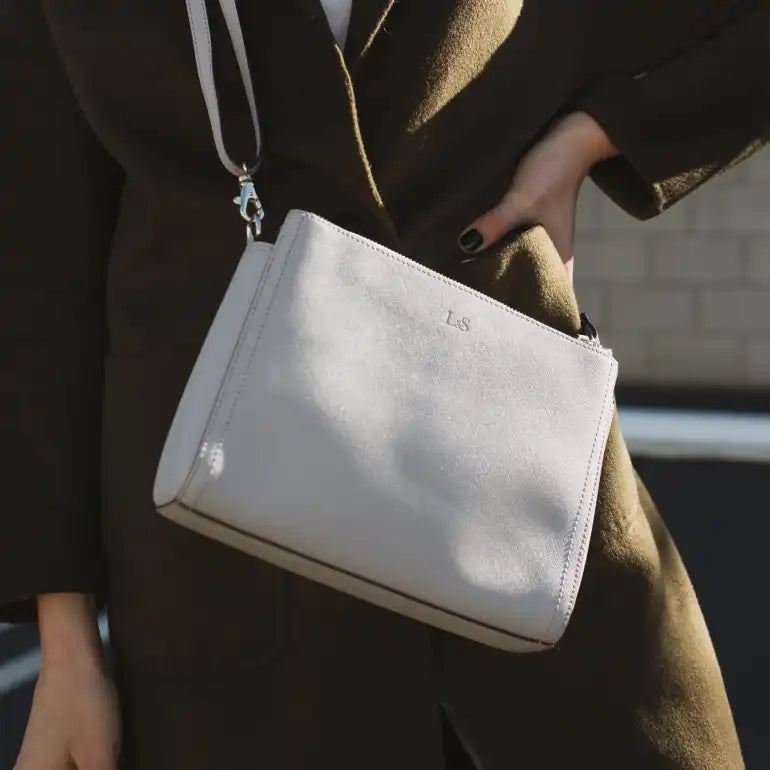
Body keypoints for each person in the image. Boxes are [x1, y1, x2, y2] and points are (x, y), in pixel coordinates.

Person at [2, 1, 768, 768]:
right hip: (226, 571)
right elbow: (40, 271)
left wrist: (591, 139)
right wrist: (67, 650)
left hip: (520, 490)